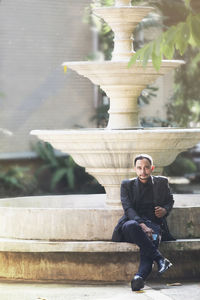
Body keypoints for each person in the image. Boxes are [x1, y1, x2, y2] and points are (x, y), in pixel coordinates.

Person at [112, 154, 175, 291]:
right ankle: (160, 259)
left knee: (150, 241)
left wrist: (165, 210)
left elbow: (170, 201)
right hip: (132, 224)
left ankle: (139, 277)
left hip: (154, 225)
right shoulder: (127, 185)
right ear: (135, 169)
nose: (143, 171)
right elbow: (128, 208)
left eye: (146, 168)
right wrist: (142, 224)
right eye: (139, 168)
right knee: (133, 226)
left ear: (152, 168)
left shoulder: (161, 182)